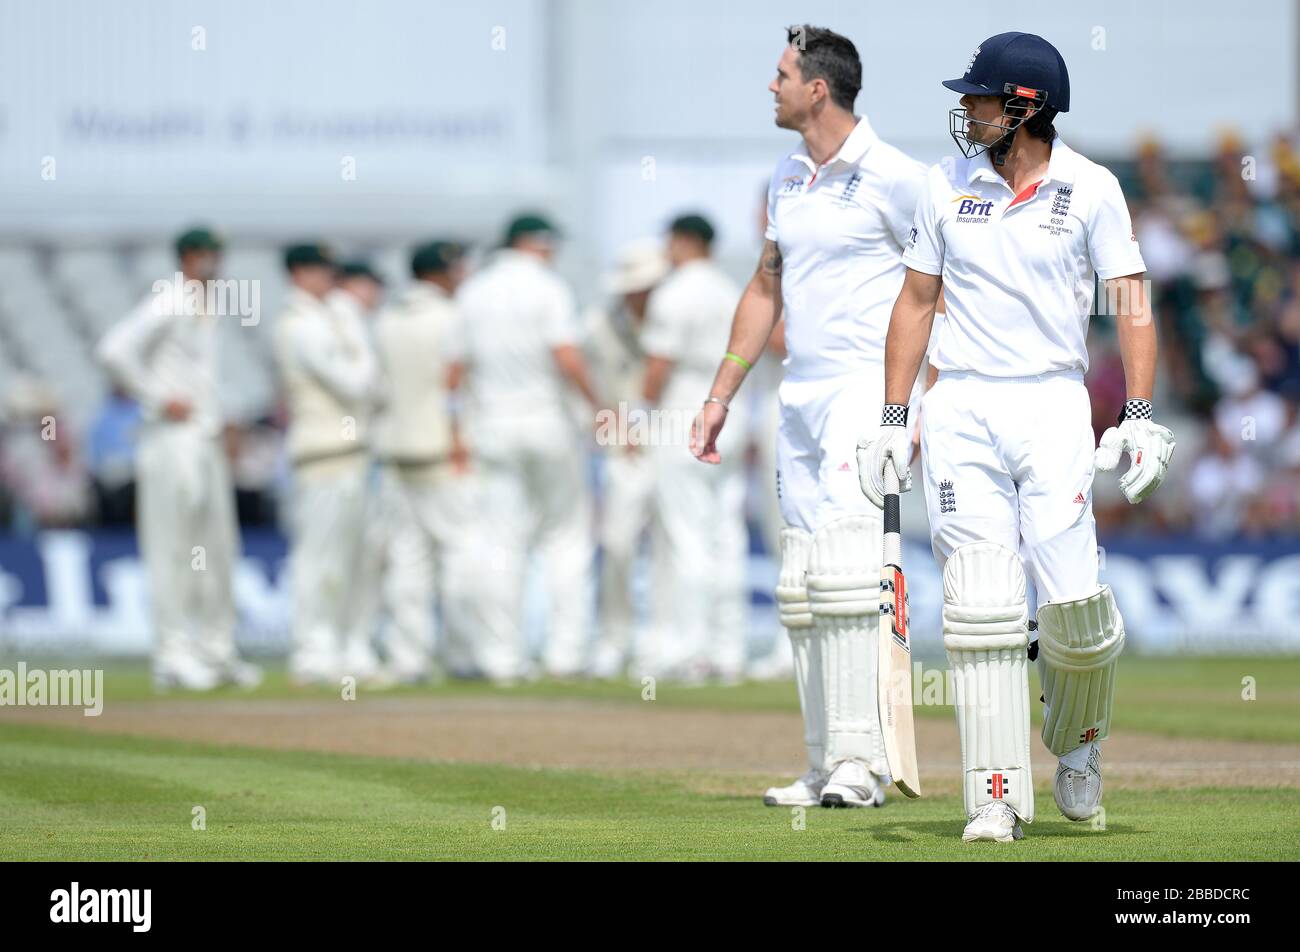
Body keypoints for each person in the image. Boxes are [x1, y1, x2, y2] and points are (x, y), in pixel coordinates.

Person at [858, 33, 1175, 842]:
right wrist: (894, 419)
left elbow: (1130, 299)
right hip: (961, 404)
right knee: (983, 602)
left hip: (1051, 404)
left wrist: (1139, 414)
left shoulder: (1091, 187)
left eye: (979, 97)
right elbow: (915, 302)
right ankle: (994, 794)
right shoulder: (943, 184)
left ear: (1023, 107)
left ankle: (1079, 744)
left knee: (1075, 613)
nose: (966, 109)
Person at [691, 26, 932, 808]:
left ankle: (864, 763)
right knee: (801, 580)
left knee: (849, 571)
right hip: (799, 393)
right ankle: (825, 761)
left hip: (867, 389)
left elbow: (938, 292)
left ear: (818, 89)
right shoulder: (786, 176)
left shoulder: (898, 177)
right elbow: (766, 288)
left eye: (782, 75)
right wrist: (720, 395)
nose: (772, 86)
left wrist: (918, 403)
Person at [97, 226, 260, 690]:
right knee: (174, 548)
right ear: (186, 257)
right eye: (204, 254)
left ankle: (216, 652)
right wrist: (157, 397)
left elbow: (203, 376)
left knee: (217, 549)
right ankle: (172, 655)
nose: (213, 262)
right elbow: (113, 351)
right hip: (171, 439)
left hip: (205, 438)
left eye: (217, 254)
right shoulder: (169, 299)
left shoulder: (208, 305)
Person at [456, 214, 601, 681]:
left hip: (492, 426)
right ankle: (566, 654)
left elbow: (454, 372)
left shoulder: (473, 292)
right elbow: (566, 356)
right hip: (546, 423)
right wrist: (602, 409)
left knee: (501, 541)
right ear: (536, 244)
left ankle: (501, 659)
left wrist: (455, 432)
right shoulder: (547, 287)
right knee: (566, 540)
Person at [642, 214, 747, 682]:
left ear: (683, 242)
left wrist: (638, 411)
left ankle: (690, 649)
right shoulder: (730, 290)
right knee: (725, 535)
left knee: (686, 536)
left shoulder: (673, 292)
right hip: (730, 411)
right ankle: (729, 650)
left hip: (686, 411)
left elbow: (657, 367)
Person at [274, 243, 382, 685]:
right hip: (322, 456)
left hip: (353, 456)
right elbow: (356, 384)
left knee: (360, 560)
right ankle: (313, 651)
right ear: (298, 273)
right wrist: (357, 334)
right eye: (318, 270)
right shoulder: (300, 325)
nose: (327, 279)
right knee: (322, 558)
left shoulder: (327, 317)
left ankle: (352, 647)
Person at [370, 241, 476, 681]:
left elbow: (377, 388)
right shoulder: (452, 317)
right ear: (439, 273)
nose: (463, 275)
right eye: (457, 268)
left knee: (407, 559)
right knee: (458, 552)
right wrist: (459, 438)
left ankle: (408, 658)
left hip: (396, 452)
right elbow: (455, 384)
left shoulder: (387, 319)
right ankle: (463, 654)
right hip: (442, 451)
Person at [586, 239, 669, 677]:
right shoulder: (599, 325)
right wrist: (615, 428)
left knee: (668, 547)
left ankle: (658, 641)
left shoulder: (674, 319)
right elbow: (590, 388)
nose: (639, 296)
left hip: (672, 445)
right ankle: (613, 638)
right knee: (617, 543)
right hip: (623, 449)